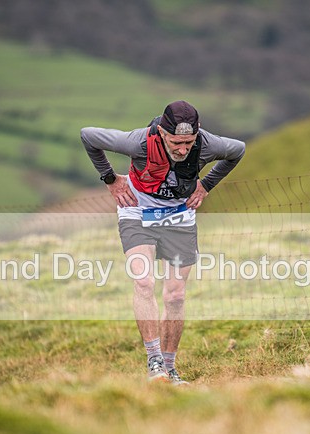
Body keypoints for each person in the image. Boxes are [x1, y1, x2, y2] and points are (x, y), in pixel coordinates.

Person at [81, 100, 245, 385]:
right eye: (176, 142)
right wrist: (110, 179)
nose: (183, 149)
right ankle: (154, 362)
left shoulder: (206, 144)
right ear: (162, 133)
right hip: (137, 211)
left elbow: (238, 151)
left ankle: (170, 369)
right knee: (144, 282)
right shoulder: (138, 142)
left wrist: (206, 185)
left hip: (179, 216)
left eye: (188, 142)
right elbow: (88, 136)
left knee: (175, 295)